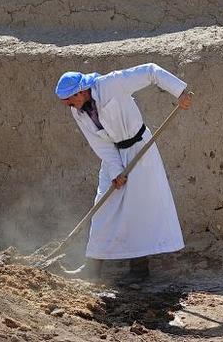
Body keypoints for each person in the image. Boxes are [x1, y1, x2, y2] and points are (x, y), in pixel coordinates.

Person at [55, 63, 192, 282]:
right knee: (102, 206)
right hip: (113, 156)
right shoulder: (78, 111)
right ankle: (91, 270)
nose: (68, 106)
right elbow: (99, 144)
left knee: (139, 208)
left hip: (140, 149)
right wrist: (116, 171)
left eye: (69, 100)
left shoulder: (110, 84)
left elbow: (150, 71)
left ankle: (139, 270)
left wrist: (180, 92)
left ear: (80, 91)